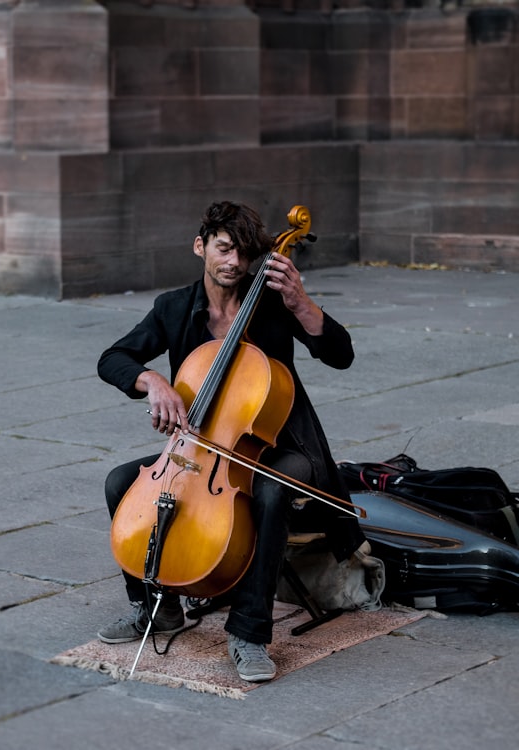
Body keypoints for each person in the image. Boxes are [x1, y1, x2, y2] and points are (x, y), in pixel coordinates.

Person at [96, 200, 365, 683]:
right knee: (120, 482)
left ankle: (249, 632)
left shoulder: (272, 304)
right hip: (204, 448)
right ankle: (157, 608)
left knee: (271, 488)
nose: (234, 263)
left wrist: (302, 303)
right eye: (223, 249)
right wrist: (151, 381)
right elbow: (112, 358)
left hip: (282, 446)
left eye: (243, 253)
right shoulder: (173, 308)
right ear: (200, 246)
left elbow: (341, 355)